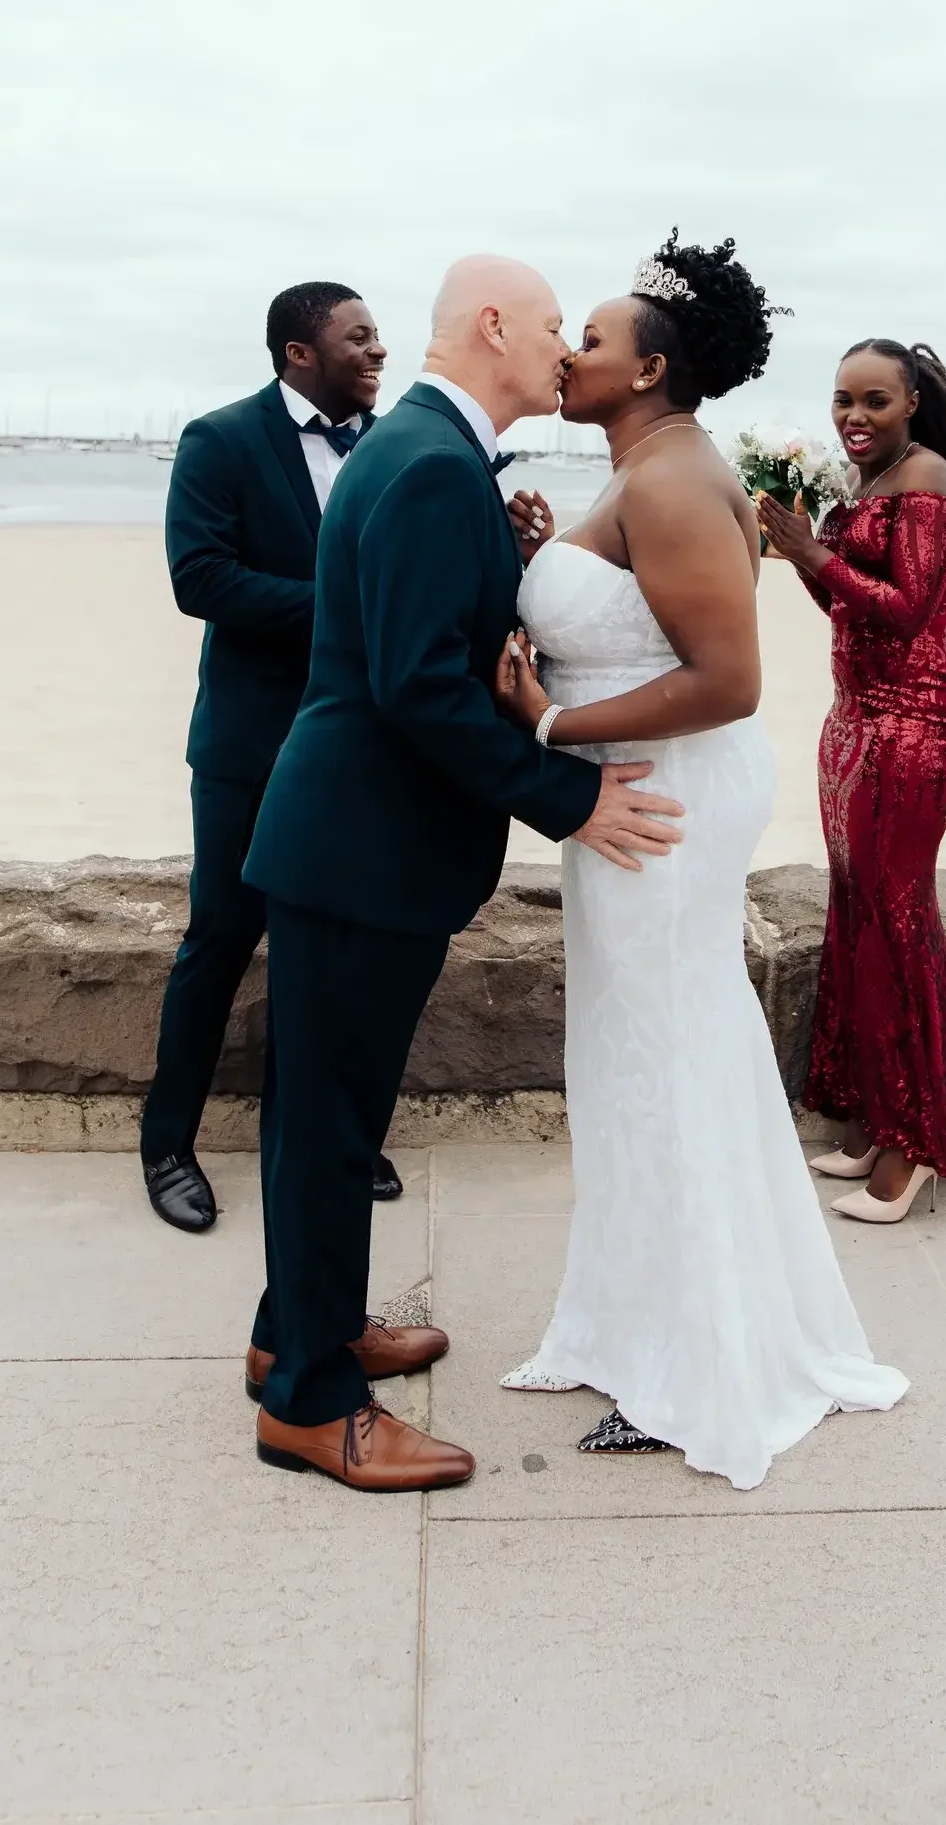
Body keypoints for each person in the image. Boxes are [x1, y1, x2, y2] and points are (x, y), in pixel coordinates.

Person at [239, 256, 686, 1492]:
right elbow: (418, 688)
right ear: (493, 325)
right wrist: (572, 800)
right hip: (360, 851)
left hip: (352, 844)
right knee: (328, 1131)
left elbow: (422, 640)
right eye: (551, 326)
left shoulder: (421, 452)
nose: (561, 349)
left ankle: (299, 1329)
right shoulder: (434, 464)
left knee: (328, 1121)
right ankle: (313, 1406)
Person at [492, 233, 909, 1490]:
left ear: (651, 369)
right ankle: (639, 1324)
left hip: (660, 797)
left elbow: (728, 682)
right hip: (648, 788)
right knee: (649, 1056)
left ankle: (698, 1370)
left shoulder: (672, 480)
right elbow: (631, 615)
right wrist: (540, 561)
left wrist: (552, 727)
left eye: (595, 342)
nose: (569, 353)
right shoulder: (650, 464)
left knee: (664, 1059)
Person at [140, 281, 402, 1233]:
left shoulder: (390, 446)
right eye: (359, 337)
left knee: (326, 950)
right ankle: (168, 1145)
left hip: (361, 749)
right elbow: (198, 577)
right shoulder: (220, 439)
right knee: (220, 940)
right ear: (299, 352)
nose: (379, 351)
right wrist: (343, 606)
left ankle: (318, 1138)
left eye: (380, 336)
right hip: (254, 744)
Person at [758, 338, 946, 1222]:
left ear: (911, 404)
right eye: (841, 401)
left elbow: (905, 613)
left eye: (873, 402)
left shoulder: (929, 479)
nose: (853, 418)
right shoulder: (865, 486)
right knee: (858, 914)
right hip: (856, 716)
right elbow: (844, 602)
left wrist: (808, 551)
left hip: (922, 719)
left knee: (897, 921)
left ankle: (914, 1149)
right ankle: (877, 1116)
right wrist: (800, 554)